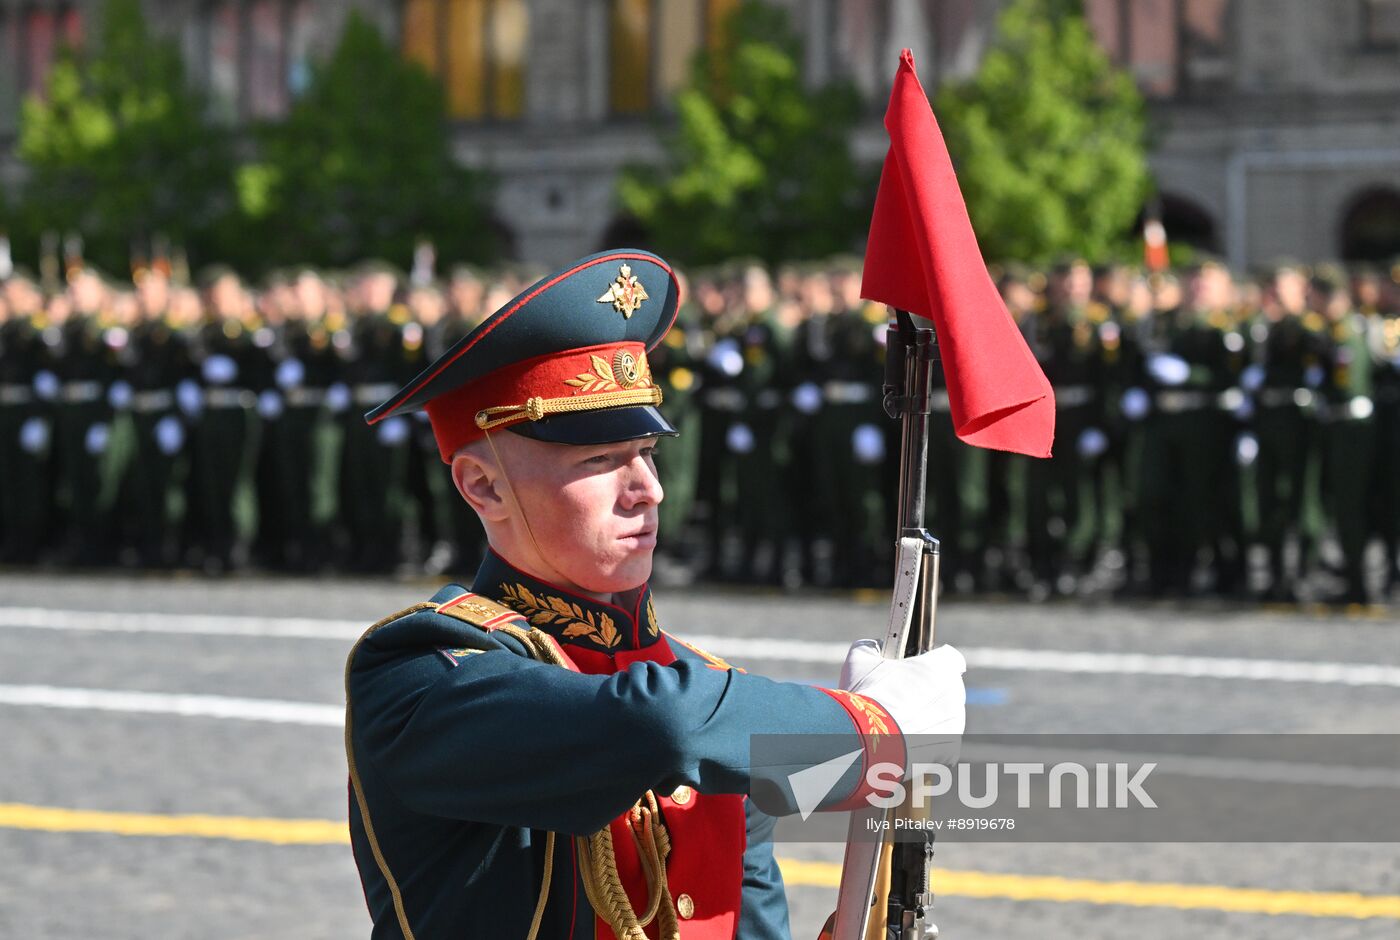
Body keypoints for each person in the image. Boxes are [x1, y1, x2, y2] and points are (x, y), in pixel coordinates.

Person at [345, 250, 968, 939]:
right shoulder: (418, 672)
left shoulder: (713, 695)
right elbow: (659, 726)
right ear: (483, 486)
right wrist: (870, 727)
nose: (648, 488)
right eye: (600, 460)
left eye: (647, 452)